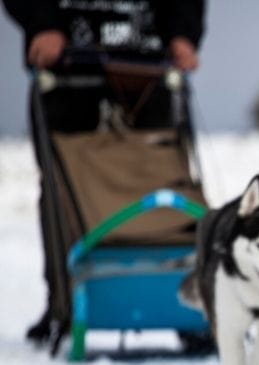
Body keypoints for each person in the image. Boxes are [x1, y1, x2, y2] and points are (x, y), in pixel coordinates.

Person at [2, 0, 206, 346]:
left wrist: (184, 33)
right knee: (63, 186)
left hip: (147, 66)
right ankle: (64, 302)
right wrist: (41, 23)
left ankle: (185, 300)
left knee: (162, 178)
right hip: (64, 64)